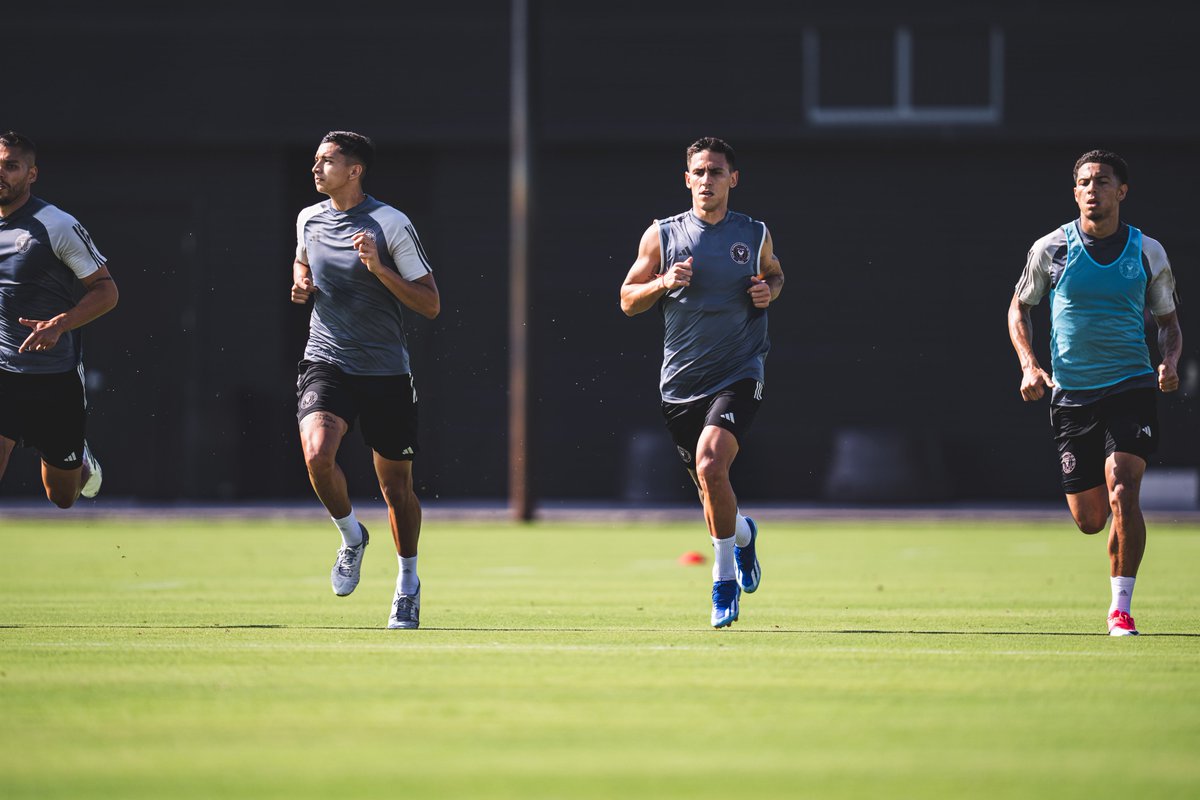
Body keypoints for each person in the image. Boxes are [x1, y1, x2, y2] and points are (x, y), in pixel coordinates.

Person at [1008, 149, 1182, 637]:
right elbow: (1018, 308)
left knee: (1123, 486)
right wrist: (1030, 365)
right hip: (1072, 396)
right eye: (1083, 182)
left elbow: (1169, 323)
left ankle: (1120, 608)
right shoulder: (1051, 249)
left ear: (1121, 192)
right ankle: (1117, 530)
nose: (1091, 189)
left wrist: (1169, 362)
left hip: (1131, 384)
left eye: (1101, 181)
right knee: (1090, 518)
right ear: (1075, 191)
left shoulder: (1147, 251)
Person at [620, 137, 784, 628]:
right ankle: (743, 536)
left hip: (740, 370)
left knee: (713, 464)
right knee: (710, 490)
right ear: (687, 179)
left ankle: (723, 582)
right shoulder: (662, 236)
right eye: (699, 172)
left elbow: (775, 275)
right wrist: (663, 283)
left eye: (716, 171)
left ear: (733, 179)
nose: (707, 180)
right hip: (680, 386)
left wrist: (765, 291)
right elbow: (628, 299)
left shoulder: (753, 234)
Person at [290, 131, 440, 630]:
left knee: (396, 488)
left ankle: (407, 584)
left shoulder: (390, 223)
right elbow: (303, 257)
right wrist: (299, 279)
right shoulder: (308, 218)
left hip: (384, 371)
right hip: (326, 358)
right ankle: (351, 536)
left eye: (326, 161)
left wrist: (378, 268)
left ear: (354, 171)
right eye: (315, 160)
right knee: (316, 454)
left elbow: (430, 303)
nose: (316, 169)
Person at [0, 131, 117, 507]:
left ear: (31, 174)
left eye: (11, 166)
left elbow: (106, 291)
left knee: (62, 496)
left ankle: (81, 460)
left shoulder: (57, 225)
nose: (1, 174)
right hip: (4, 368)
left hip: (54, 378)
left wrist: (60, 324)